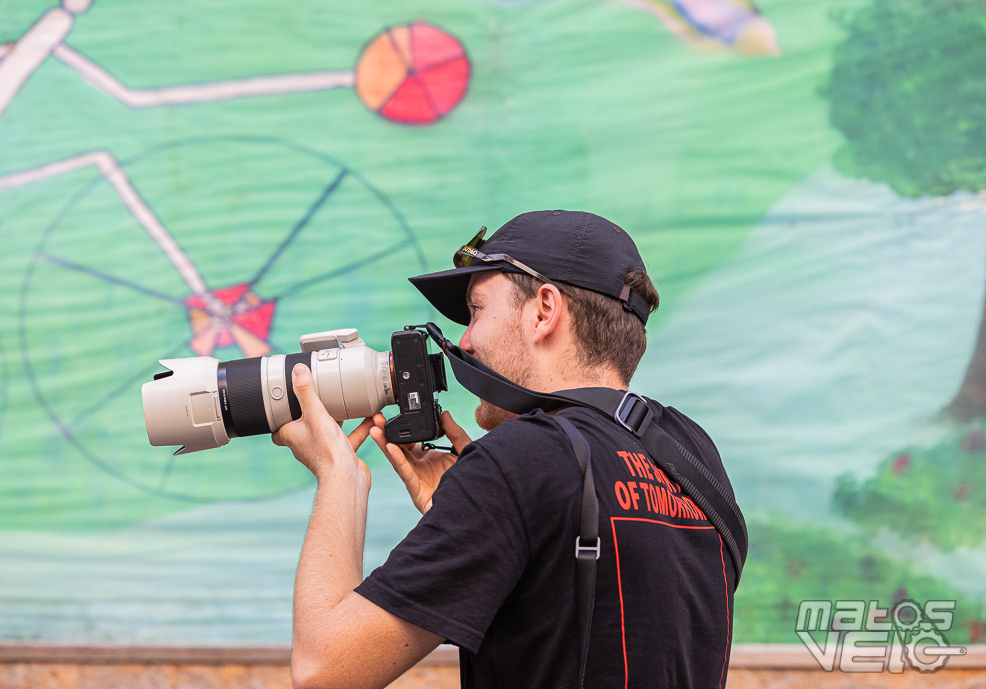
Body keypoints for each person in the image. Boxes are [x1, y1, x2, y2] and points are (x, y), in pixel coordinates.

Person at [272, 210, 739, 689]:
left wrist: (338, 474)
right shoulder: (691, 452)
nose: (465, 342)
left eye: (476, 311)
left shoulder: (521, 462)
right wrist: (486, 520)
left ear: (544, 311)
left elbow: (321, 671)